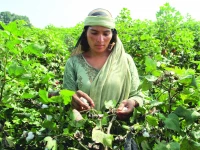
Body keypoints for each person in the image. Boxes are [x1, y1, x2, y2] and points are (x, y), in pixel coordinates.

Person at [63, 8, 143, 120]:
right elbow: (67, 97)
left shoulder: (125, 60)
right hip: (82, 131)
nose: (100, 39)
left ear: (112, 35)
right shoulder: (73, 63)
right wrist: (72, 103)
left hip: (119, 131)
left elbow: (138, 95)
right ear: (86, 33)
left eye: (106, 33)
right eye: (94, 33)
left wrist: (132, 102)